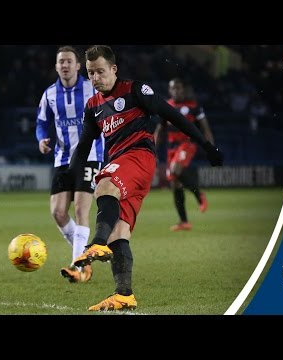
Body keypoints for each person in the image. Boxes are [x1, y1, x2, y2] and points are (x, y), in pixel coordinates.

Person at [64, 45, 223, 311]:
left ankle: (97, 244)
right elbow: (82, 147)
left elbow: (171, 115)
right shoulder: (93, 107)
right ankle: (123, 294)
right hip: (123, 166)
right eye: (90, 73)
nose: (95, 78)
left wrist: (206, 146)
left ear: (114, 69)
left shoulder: (135, 90)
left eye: (100, 71)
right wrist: (69, 178)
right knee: (119, 231)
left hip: (138, 156)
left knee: (104, 185)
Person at [36, 46, 105, 283]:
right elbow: (41, 122)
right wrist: (41, 139)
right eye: (61, 62)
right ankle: (84, 252)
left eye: (69, 61)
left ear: (77, 66)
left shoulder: (91, 88)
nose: (64, 65)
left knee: (80, 210)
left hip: (90, 155)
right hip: (62, 158)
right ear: (56, 67)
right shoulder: (49, 94)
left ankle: (79, 266)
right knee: (57, 212)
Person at [154, 78, 216, 231]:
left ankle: (199, 195)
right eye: (174, 89)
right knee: (175, 183)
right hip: (172, 147)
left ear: (183, 89)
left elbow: (205, 128)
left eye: (179, 88)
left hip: (187, 144)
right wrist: (152, 149)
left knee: (175, 169)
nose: (177, 91)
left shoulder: (194, 106)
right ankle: (184, 221)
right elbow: (160, 130)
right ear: (170, 91)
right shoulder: (166, 107)